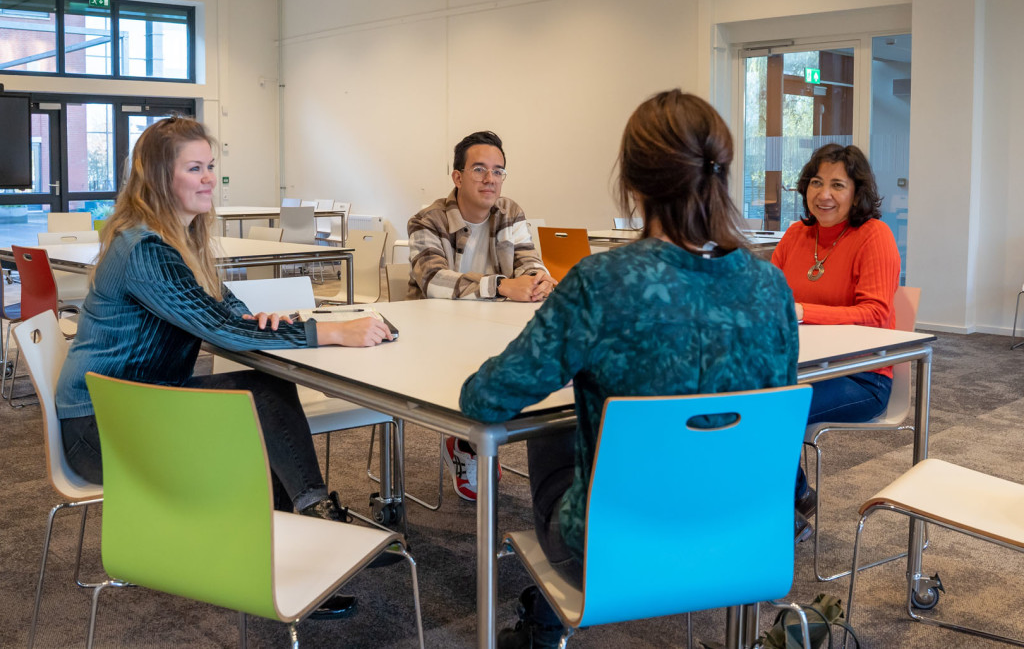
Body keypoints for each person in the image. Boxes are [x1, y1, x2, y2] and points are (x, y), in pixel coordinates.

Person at [460, 90, 799, 648]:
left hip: (611, 546)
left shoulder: (601, 282)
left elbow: (486, 400)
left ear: (635, 184)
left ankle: (545, 630)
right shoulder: (771, 287)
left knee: (566, 418)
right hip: (743, 534)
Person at [54, 116, 393, 619]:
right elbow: (220, 330)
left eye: (211, 166)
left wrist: (260, 316)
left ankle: (299, 541)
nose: (209, 177)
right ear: (159, 179)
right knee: (257, 398)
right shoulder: (145, 247)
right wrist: (333, 330)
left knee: (259, 397)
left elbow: (223, 309)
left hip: (140, 406)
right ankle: (312, 525)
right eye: (195, 168)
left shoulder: (177, 240)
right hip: (102, 429)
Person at [407, 130, 558, 501]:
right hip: (434, 329)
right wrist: (502, 286)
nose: (490, 179)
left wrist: (539, 280)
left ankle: (477, 437)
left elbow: (529, 260)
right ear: (457, 177)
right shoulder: (427, 221)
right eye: (479, 170)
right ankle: (465, 442)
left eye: (498, 171)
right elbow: (432, 281)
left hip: (494, 325)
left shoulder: (510, 211)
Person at [770, 142, 901, 540]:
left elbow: (876, 313)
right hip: (803, 364)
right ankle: (795, 495)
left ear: (857, 192)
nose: (823, 194)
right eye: (816, 182)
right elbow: (769, 295)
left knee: (774, 409)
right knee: (740, 394)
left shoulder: (873, 236)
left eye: (837, 185)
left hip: (863, 375)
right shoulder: (796, 234)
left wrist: (804, 311)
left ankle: (779, 515)